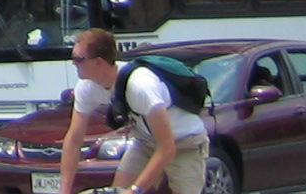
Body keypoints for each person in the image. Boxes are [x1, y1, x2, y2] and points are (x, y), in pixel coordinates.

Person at [59, 27, 208, 194]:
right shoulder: (86, 87)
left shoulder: (140, 86)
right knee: (118, 190)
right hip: (145, 142)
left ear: (98, 62)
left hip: (184, 143)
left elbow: (167, 148)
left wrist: (135, 190)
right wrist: (64, 191)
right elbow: (74, 140)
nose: (73, 63)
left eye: (78, 59)